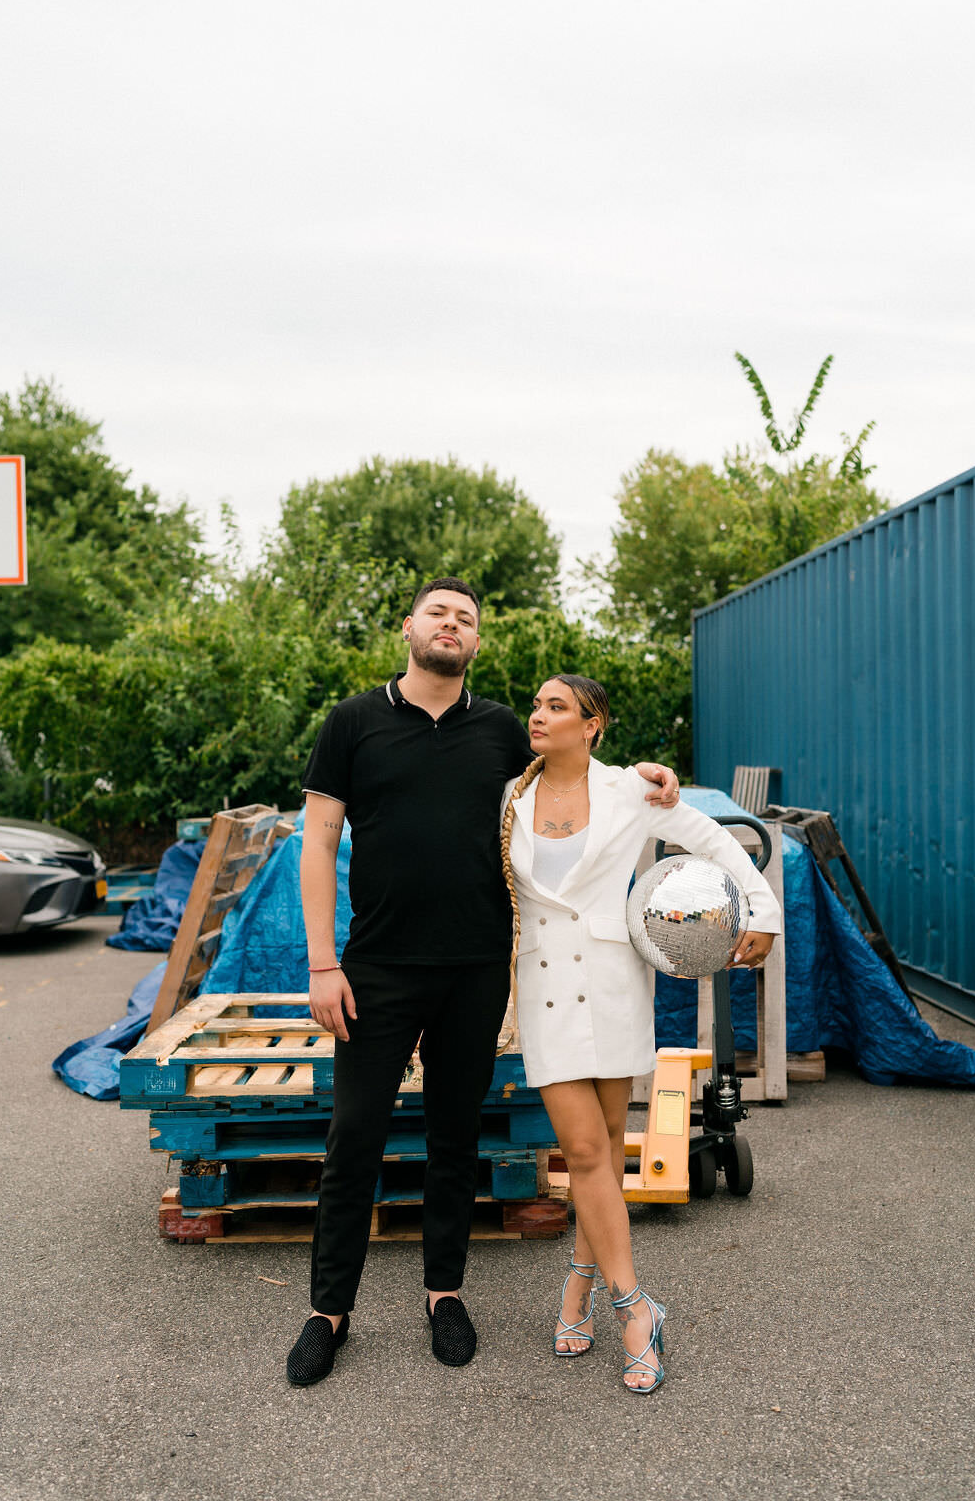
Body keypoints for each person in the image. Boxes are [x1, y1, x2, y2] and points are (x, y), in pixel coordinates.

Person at [286, 580, 681, 1387]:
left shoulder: (503, 729)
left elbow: (578, 769)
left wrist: (649, 773)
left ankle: (445, 1295)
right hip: (375, 970)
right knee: (354, 1137)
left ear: (476, 641)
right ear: (408, 628)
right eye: (439, 613)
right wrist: (323, 964)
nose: (452, 625)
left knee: (453, 1140)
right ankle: (329, 1313)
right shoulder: (353, 723)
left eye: (466, 618)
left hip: (474, 971)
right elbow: (319, 844)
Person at [499, 674, 781, 1394]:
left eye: (556, 706)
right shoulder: (511, 799)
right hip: (545, 990)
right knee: (586, 1151)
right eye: (536, 704)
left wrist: (760, 909)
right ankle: (637, 1308)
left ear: (592, 724)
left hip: (616, 988)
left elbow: (715, 843)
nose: (539, 714)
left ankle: (577, 1287)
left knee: (598, 1158)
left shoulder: (631, 790)